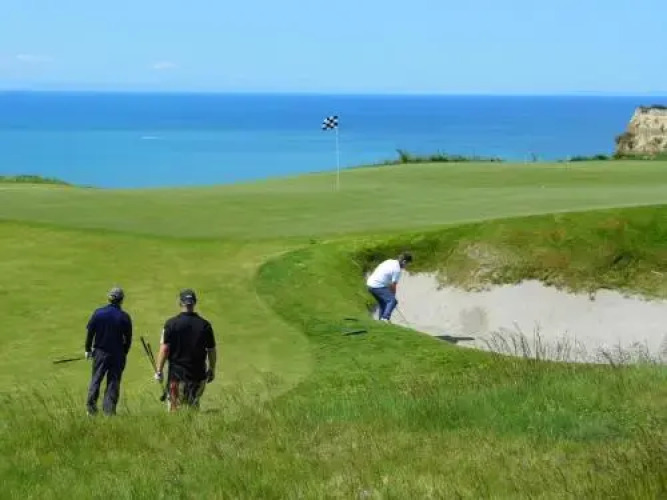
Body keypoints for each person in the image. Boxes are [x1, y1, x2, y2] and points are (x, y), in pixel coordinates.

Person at [154, 289, 217, 411]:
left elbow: (164, 349)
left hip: (177, 377)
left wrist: (159, 371)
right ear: (194, 303)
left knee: (175, 409)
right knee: (193, 406)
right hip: (198, 376)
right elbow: (211, 350)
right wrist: (212, 369)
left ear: (180, 303)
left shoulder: (171, 324)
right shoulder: (205, 325)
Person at [85, 286, 133, 416]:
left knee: (96, 379)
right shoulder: (124, 317)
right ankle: (109, 411)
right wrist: (124, 352)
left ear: (109, 298)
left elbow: (90, 333)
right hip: (117, 354)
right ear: (121, 300)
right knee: (113, 382)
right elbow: (128, 339)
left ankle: (91, 409)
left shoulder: (98, 313)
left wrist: (88, 349)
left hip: (100, 352)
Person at [366, 252, 413, 322]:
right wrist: (392, 297)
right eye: (407, 264)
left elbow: (388, 281)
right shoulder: (397, 270)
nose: (406, 266)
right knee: (392, 301)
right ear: (404, 262)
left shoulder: (389, 261)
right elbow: (393, 286)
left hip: (370, 284)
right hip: (377, 285)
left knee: (383, 303)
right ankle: (385, 318)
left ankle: (381, 321)